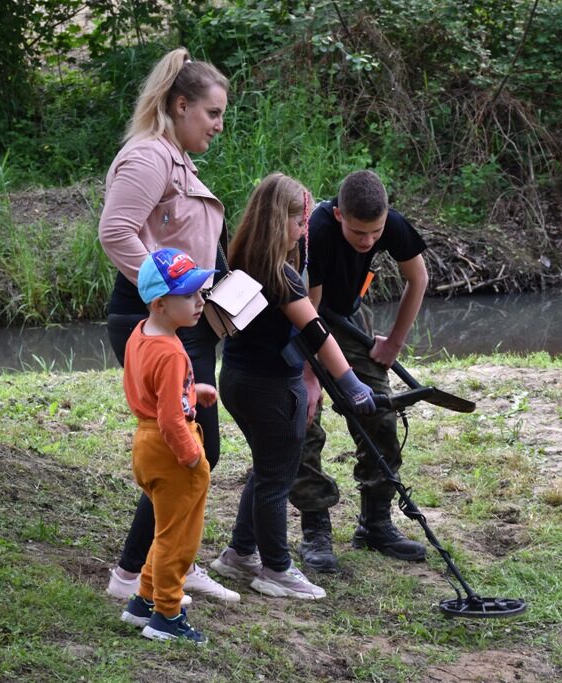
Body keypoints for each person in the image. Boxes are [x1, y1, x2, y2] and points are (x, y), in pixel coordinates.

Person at [98, 47, 237, 603]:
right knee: (185, 448)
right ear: (181, 106)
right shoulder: (148, 157)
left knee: (194, 445)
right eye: (212, 113)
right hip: (155, 322)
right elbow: (115, 232)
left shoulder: (175, 157)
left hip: (180, 321)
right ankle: (136, 573)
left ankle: (172, 559)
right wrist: (166, 295)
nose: (219, 125)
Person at [208, 173, 375, 599]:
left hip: (237, 380)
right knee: (276, 479)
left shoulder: (240, 261)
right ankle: (276, 569)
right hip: (271, 389)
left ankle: (240, 552)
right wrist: (352, 383)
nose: (304, 231)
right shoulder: (280, 275)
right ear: (279, 220)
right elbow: (316, 332)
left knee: (267, 468)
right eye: (300, 223)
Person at [290, 170, 430, 573]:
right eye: (358, 233)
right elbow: (310, 313)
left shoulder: (390, 224)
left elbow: (418, 277)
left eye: (375, 233)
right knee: (305, 418)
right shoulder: (316, 232)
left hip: (346, 320)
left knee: (380, 411)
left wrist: (394, 343)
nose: (368, 241)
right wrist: (311, 376)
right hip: (303, 320)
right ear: (339, 215)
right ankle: (315, 527)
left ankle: (375, 523)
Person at [117, 248, 215, 643]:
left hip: (145, 445)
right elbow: (172, 419)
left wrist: (192, 391)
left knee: (165, 529)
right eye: (189, 296)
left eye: (200, 292)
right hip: (171, 449)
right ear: (160, 304)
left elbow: (152, 391)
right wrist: (192, 458)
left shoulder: (141, 334)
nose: (200, 301)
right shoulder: (172, 352)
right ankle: (168, 616)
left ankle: (143, 601)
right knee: (180, 538)